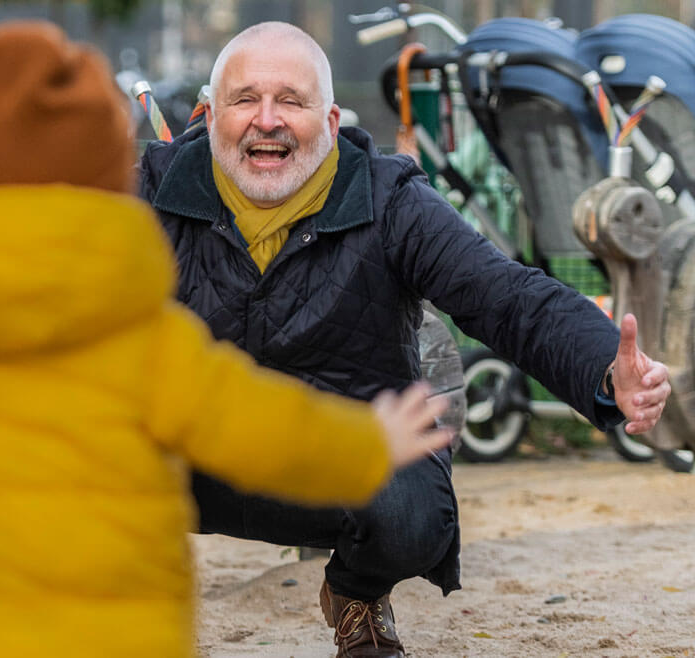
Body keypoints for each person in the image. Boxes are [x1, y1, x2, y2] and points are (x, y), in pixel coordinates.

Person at [0, 20, 453, 658]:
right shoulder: (143, 343)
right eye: (246, 98)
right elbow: (259, 425)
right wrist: (366, 445)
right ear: (112, 187)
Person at [137, 21, 672, 658]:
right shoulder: (150, 191)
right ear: (209, 112)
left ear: (331, 119)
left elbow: (504, 296)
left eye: (292, 101)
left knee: (417, 512)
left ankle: (356, 595)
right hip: (190, 459)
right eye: (245, 98)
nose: (268, 120)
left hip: (345, 456)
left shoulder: (389, 199)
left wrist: (603, 367)